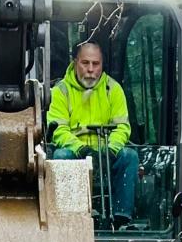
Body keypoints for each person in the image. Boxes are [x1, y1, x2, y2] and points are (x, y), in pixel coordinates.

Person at [46, 40, 139, 226]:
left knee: (129, 156)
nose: (90, 69)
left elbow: (122, 127)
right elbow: (58, 129)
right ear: (75, 63)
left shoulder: (113, 89)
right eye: (85, 63)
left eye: (96, 64)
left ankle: (122, 218)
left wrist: (111, 149)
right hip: (76, 153)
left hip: (107, 152)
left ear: (102, 65)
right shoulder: (59, 92)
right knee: (60, 156)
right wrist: (81, 149)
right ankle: (68, 217)